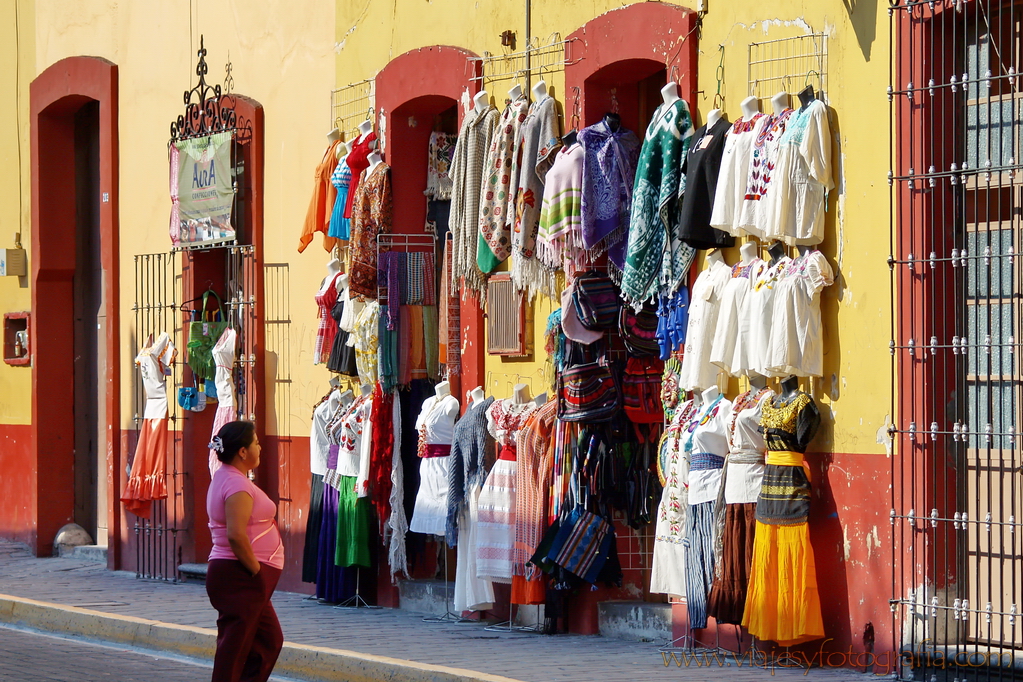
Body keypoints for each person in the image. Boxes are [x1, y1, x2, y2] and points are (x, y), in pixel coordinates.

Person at [206, 421, 284, 682]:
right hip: (240, 575)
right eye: (256, 443)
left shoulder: (228, 476)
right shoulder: (236, 485)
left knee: (267, 640)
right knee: (234, 649)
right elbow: (236, 535)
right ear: (242, 451)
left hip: (242, 576)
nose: (259, 447)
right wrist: (257, 572)